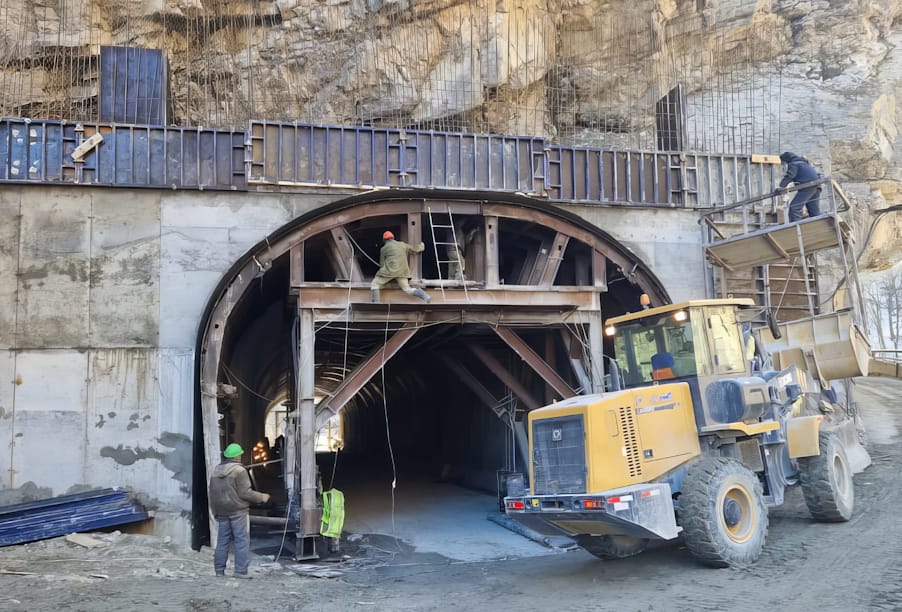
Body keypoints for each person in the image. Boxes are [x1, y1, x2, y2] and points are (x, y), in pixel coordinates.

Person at [208, 443, 271, 578]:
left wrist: (214, 511)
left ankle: (219, 570)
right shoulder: (239, 471)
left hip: (222, 511)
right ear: (237, 456)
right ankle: (240, 571)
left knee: (222, 541)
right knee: (241, 540)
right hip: (238, 511)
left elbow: (212, 494)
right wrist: (262, 497)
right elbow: (245, 493)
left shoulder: (215, 471)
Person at [370, 230, 431, 303]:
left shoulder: (384, 249)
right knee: (407, 290)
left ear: (384, 240)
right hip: (402, 272)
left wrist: (384, 277)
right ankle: (425, 295)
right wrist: (422, 245)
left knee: (375, 284)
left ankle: (376, 302)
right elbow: (415, 249)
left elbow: (382, 264)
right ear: (393, 238)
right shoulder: (402, 244)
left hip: (389, 271)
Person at [776, 152, 822, 222]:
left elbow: (790, 175)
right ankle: (820, 225)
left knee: (794, 208)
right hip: (817, 186)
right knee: (814, 211)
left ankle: (796, 227)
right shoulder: (804, 163)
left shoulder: (793, 164)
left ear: (786, 160)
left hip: (808, 186)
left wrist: (782, 186)